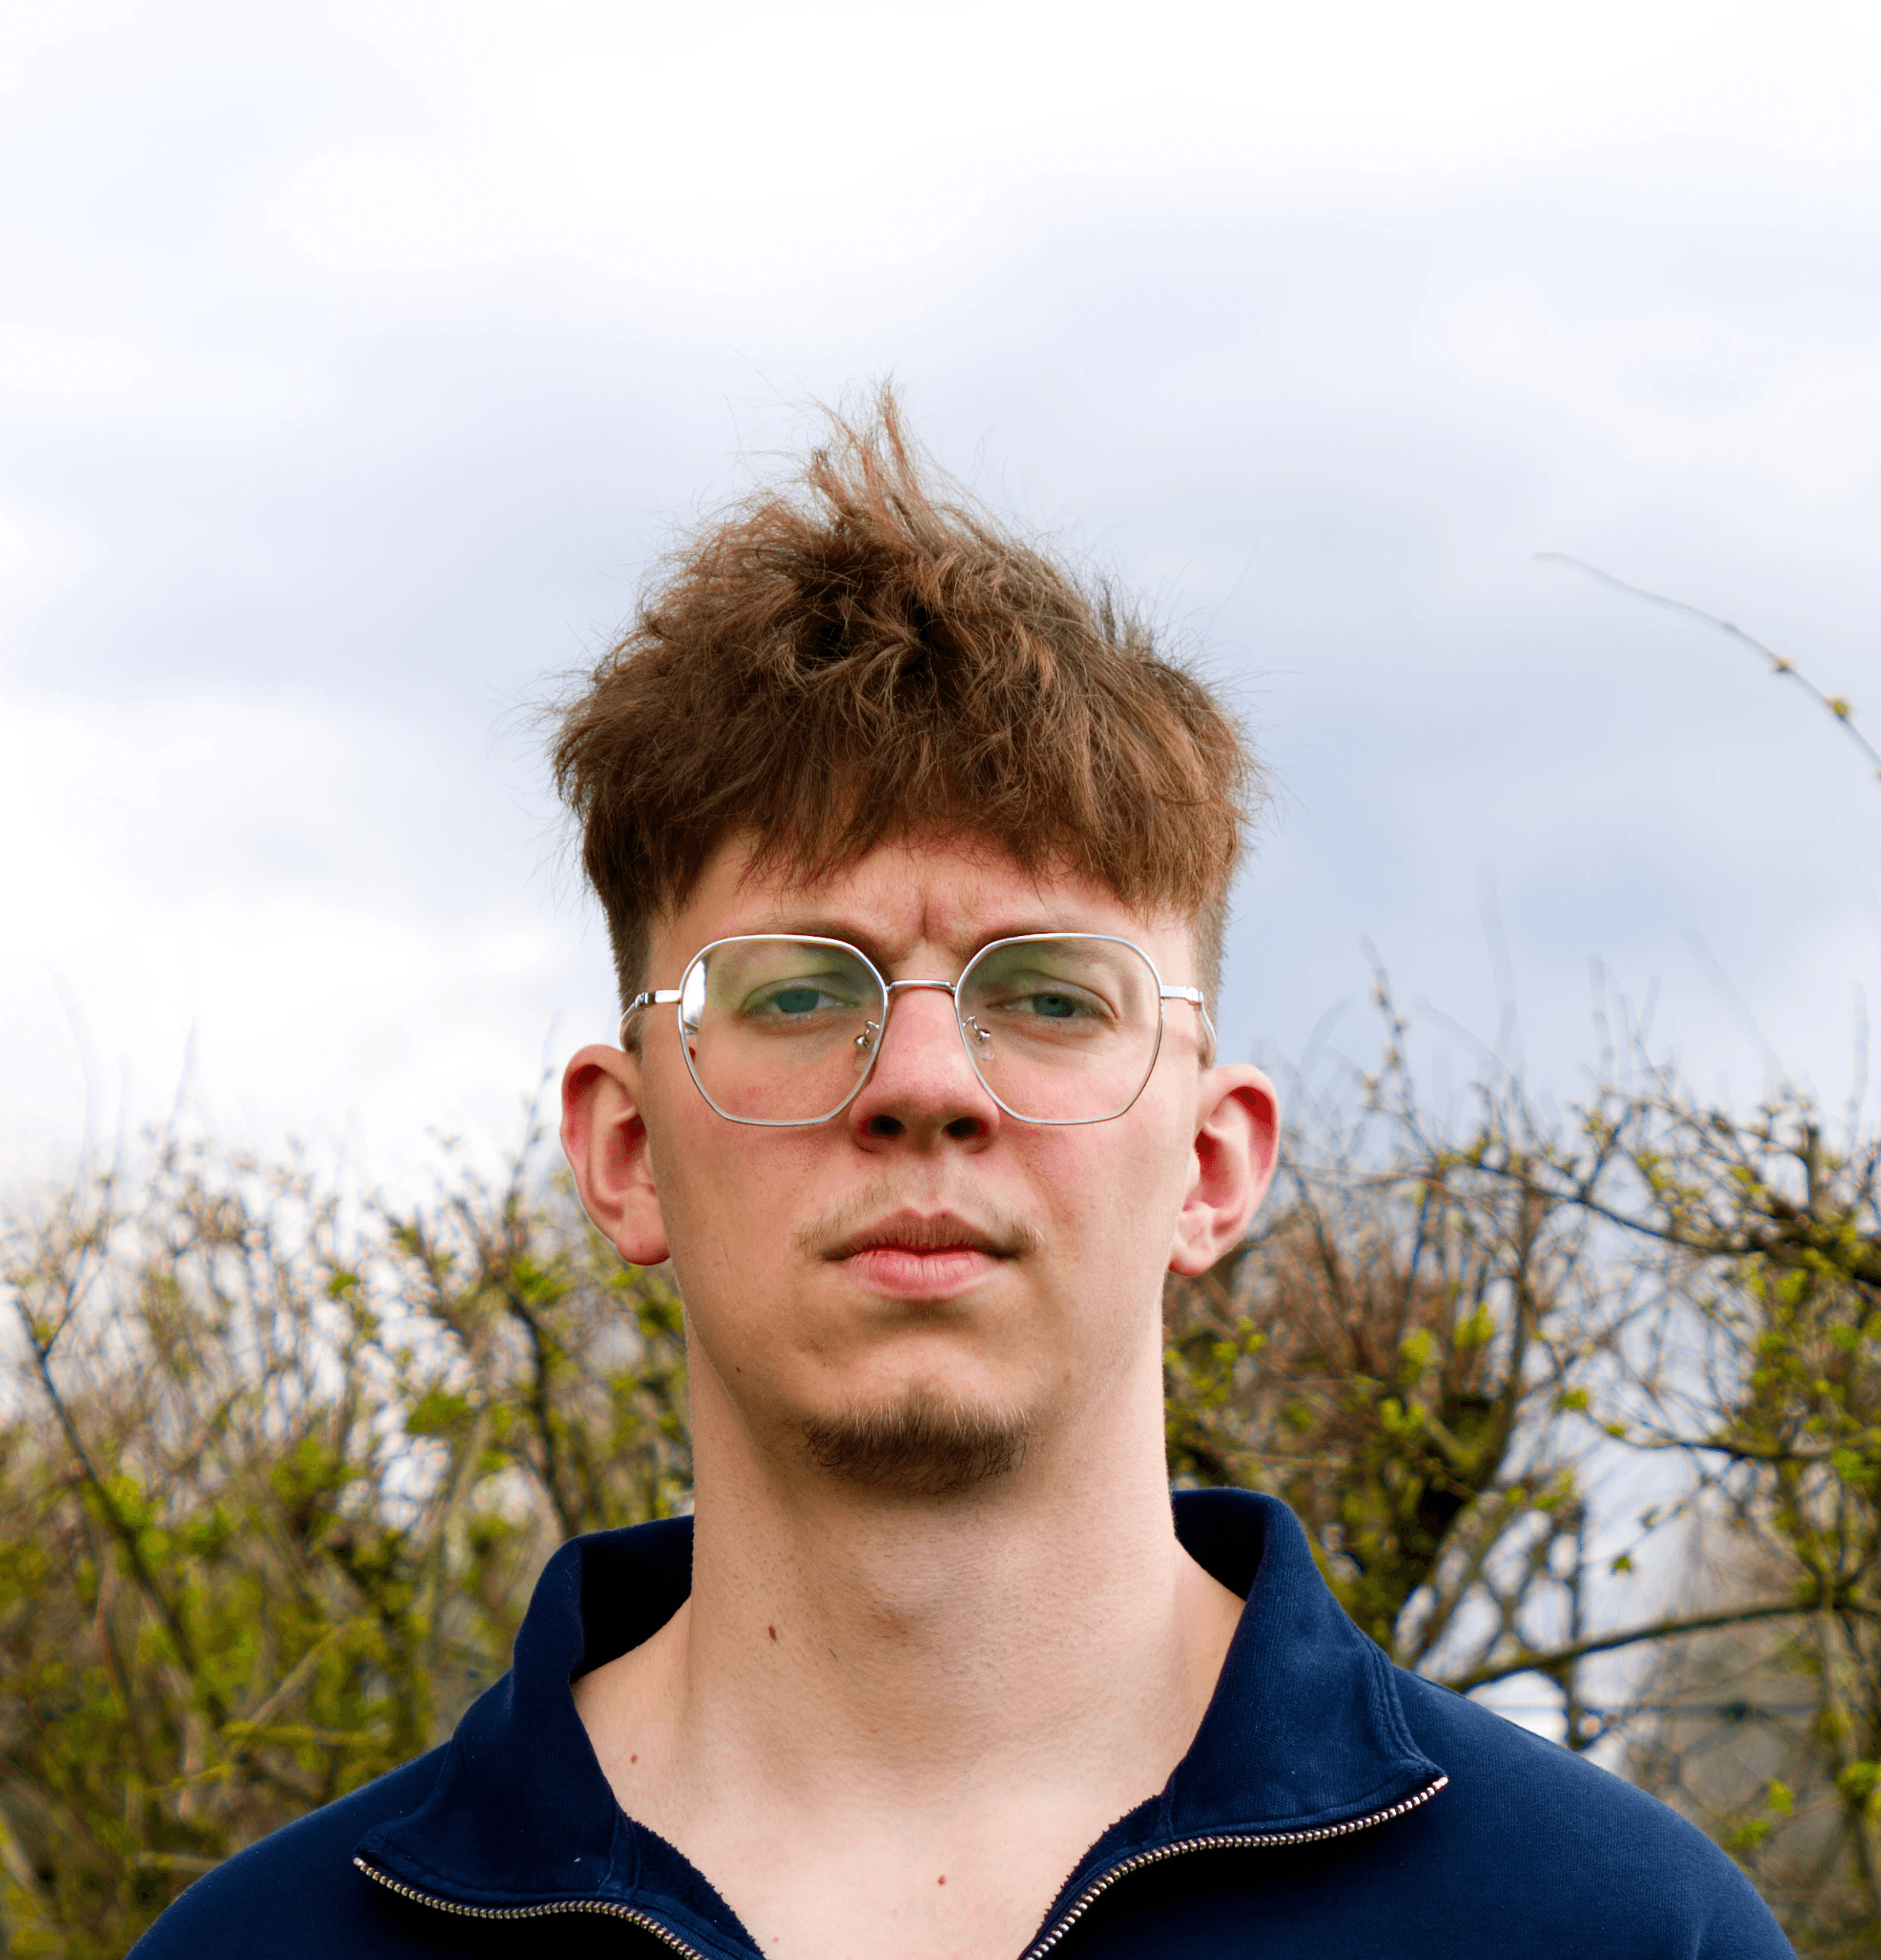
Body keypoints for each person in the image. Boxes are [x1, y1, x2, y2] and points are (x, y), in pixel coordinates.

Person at [133, 395, 1791, 1958]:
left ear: (1211, 1162)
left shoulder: (1619, 1929)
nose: (923, 1082)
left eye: (1048, 994)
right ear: (625, 1150)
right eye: (796, 989)